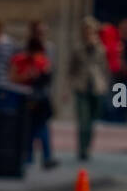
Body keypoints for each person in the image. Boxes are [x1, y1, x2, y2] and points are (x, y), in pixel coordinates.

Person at [11, 32, 57, 169]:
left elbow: (47, 78)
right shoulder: (20, 60)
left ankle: (42, 157)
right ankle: (35, 156)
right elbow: (13, 77)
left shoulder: (42, 61)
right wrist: (26, 76)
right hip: (26, 99)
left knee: (40, 128)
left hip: (40, 101)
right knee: (32, 128)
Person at [67, 17, 111, 161]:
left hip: (96, 87)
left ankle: (88, 146)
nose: (89, 34)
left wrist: (104, 85)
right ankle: (82, 148)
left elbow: (104, 68)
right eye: (86, 31)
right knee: (83, 119)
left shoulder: (100, 48)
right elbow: (71, 69)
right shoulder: (78, 48)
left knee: (92, 120)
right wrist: (70, 86)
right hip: (82, 86)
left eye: (91, 31)